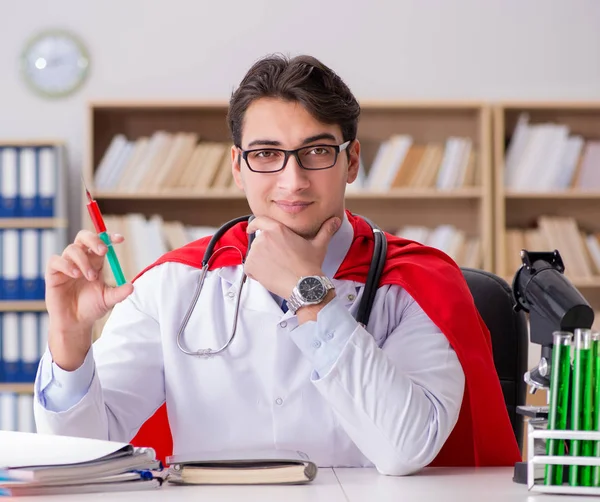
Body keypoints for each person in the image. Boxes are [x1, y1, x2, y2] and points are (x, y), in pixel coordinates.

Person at [34, 53, 520, 476]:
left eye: (316, 152)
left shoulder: (414, 283)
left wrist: (306, 293)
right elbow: (86, 450)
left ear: (351, 161)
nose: (293, 180)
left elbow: (406, 448)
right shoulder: (172, 284)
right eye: (267, 154)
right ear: (237, 165)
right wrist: (71, 343)